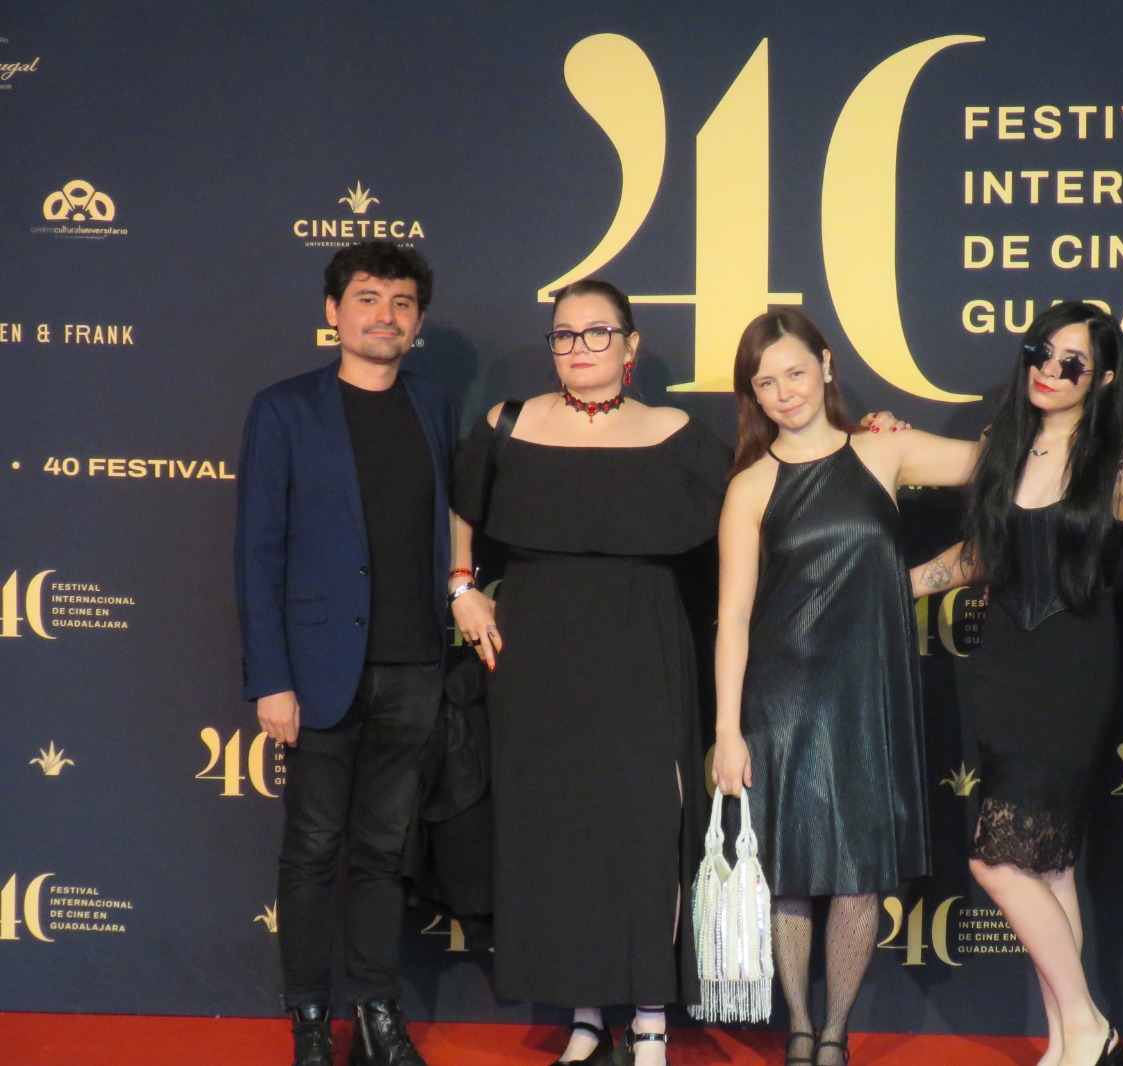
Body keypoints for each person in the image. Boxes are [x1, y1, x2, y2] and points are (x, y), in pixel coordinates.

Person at [448, 278, 728, 1066]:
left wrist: (861, 438)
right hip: (538, 648)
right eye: (565, 334)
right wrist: (462, 585)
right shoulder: (508, 424)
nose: (579, 347)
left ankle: (649, 1018)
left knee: (644, 827)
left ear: (631, 345)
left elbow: (756, 504)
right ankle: (583, 1015)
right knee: (557, 832)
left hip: (643, 641)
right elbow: (463, 505)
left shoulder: (674, 433)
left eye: (597, 332)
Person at [711, 309, 978, 1066]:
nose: (784, 392)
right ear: (753, 396)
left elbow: (1005, 465)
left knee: (859, 880)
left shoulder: (884, 450)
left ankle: (836, 1035)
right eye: (766, 382)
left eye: (796, 372)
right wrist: (727, 731)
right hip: (781, 702)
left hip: (867, 698)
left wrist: (1101, 433)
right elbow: (733, 617)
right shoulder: (751, 486)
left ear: (826, 366)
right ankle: (800, 1030)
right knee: (790, 879)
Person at [913, 303, 1123, 1066]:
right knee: (1049, 867)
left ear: (1103, 377)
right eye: (1040, 354)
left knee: (998, 861)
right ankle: (1066, 1045)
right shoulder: (1004, 445)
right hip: (1000, 669)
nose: (1050, 371)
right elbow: (985, 555)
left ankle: (1089, 1025)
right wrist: (899, 584)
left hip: (1072, 675)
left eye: (1071, 363)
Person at [235, 240, 453, 1066]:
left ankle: (377, 1015)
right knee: (312, 851)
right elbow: (258, 551)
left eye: (401, 303)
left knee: (382, 856)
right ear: (333, 312)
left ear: (418, 321)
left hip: (414, 669)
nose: (384, 316)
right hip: (319, 675)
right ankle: (308, 1023)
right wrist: (272, 678)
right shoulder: (284, 410)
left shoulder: (432, 405)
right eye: (367, 299)